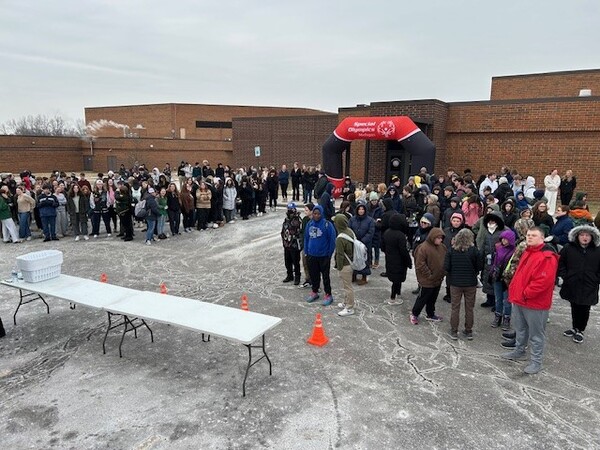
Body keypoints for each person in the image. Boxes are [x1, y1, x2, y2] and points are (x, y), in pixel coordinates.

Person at [501, 227, 559, 374]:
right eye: (528, 235)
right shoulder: (527, 251)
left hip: (534, 303)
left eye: (534, 235)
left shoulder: (547, 256)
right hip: (520, 299)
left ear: (542, 238)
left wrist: (526, 294)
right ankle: (519, 351)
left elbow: (543, 281)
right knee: (520, 329)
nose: (530, 237)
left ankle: (536, 362)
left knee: (536, 335)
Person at [558, 225, 600, 344]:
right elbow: (561, 263)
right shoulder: (568, 248)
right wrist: (565, 275)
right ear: (577, 236)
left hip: (589, 284)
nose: (585, 237)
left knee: (584, 307)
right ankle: (574, 327)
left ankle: (580, 330)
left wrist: (596, 279)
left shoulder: (597, 250)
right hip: (572, 282)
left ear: (592, 237)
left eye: (587, 235)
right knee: (574, 305)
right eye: (582, 235)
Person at [444, 228, 482, 340]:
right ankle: (468, 331)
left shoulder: (451, 250)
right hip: (470, 283)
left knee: (455, 307)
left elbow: (446, 267)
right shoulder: (474, 251)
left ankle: (454, 331)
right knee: (469, 308)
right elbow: (479, 267)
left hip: (455, 283)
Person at [410, 227, 447, 324]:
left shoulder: (442, 247)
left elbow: (446, 260)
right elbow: (420, 264)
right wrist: (429, 275)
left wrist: (443, 272)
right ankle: (414, 314)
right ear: (432, 237)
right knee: (423, 298)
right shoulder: (423, 248)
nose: (440, 240)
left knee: (433, 298)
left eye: (441, 238)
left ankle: (430, 314)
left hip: (438, 279)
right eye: (438, 238)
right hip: (427, 280)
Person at [304, 205, 337, 306]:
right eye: (315, 213)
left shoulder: (327, 225)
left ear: (321, 214)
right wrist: (306, 251)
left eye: (318, 214)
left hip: (324, 256)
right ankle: (315, 291)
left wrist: (329, 254)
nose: (316, 215)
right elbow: (306, 238)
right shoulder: (309, 224)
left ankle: (328, 294)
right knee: (314, 275)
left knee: (325, 276)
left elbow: (332, 240)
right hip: (311, 255)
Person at [381, 215, 412, 306]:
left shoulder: (387, 232)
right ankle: (393, 298)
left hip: (390, 259)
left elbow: (382, 246)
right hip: (399, 261)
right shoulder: (400, 235)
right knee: (397, 280)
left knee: (395, 279)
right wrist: (408, 261)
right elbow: (404, 251)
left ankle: (397, 294)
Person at [490, 229, 516, 330]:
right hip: (497, 276)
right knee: (498, 299)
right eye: (503, 239)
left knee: (507, 300)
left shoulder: (514, 251)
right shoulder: (498, 247)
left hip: (507, 279)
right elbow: (494, 261)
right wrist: (492, 272)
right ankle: (497, 316)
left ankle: (506, 318)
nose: (504, 241)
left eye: (506, 239)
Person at [333, 214, 356, 316]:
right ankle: (346, 302)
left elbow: (340, 255)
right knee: (346, 285)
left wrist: (339, 267)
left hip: (345, 265)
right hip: (351, 262)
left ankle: (350, 307)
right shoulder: (349, 231)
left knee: (348, 287)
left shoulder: (340, 238)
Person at [349, 201, 374, 285]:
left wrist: (363, 241)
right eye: (359, 209)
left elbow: (370, 232)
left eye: (362, 209)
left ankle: (364, 277)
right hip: (354, 243)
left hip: (365, 244)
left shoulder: (369, 220)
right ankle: (354, 275)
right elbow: (349, 229)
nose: (361, 211)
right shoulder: (352, 219)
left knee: (365, 259)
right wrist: (353, 239)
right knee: (354, 259)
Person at [281, 202, 302, 285]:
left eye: (291, 209)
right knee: (287, 261)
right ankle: (289, 275)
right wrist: (284, 240)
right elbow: (283, 230)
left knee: (296, 262)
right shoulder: (286, 219)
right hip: (287, 244)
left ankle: (297, 277)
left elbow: (298, 231)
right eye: (288, 209)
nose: (289, 211)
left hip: (294, 244)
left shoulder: (297, 219)